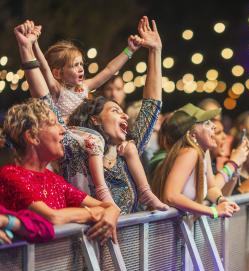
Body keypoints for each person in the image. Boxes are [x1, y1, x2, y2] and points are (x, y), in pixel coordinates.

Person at [16, 17, 167, 213]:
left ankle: (147, 192)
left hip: (126, 243)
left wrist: (154, 50)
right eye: (114, 110)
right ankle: (104, 195)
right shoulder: (72, 150)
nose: (125, 116)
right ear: (94, 118)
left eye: (123, 111)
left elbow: (150, 106)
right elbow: (42, 94)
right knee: (93, 140)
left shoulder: (126, 150)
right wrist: (29, 47)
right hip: (84, 240)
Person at [0, 99, 120, 244]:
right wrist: (95, 213)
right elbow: (53, 218)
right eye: (53, 123)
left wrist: (112, 213)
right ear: (32, 137)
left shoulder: (54, 179)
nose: (63, 130)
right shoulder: (10, 174)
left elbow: (109, 207)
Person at [151, 104, 240, 218]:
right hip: (166, 233)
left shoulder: (200, 153)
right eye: (207, 123)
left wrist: (221, 200)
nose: (214, 126)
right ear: (192, 134)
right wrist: (213, 211)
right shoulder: (190, 152)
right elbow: (171, 196)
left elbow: (211, 188)